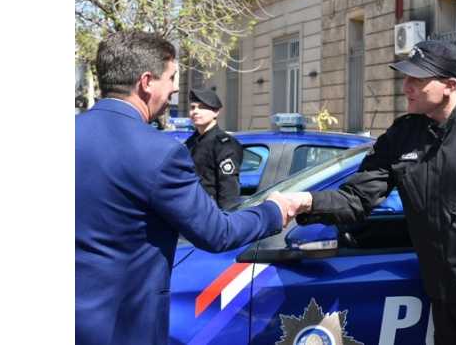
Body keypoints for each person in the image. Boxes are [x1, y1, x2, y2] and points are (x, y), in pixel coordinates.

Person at [286, 40, 456, 345]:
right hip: (442, 296)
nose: (406, 87)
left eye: (417, 80)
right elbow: (358, 197)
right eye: (406, 78)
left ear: (450, 85)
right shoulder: (403, 135)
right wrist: (305, 202)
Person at [75, 30, 311, 345]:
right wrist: (275, 210)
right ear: (146, 82)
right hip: (122, 328)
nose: (175, 88)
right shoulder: (157, 151)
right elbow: (217, 232)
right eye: (171, 77)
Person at [185, 87, 243, 210]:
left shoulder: (224, 145)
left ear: (216, 111)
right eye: (193, 107)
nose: (195, 111)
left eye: (201, 107)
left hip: (211, 215)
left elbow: (229, 191)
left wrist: (226, 221)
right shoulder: (189, 143)